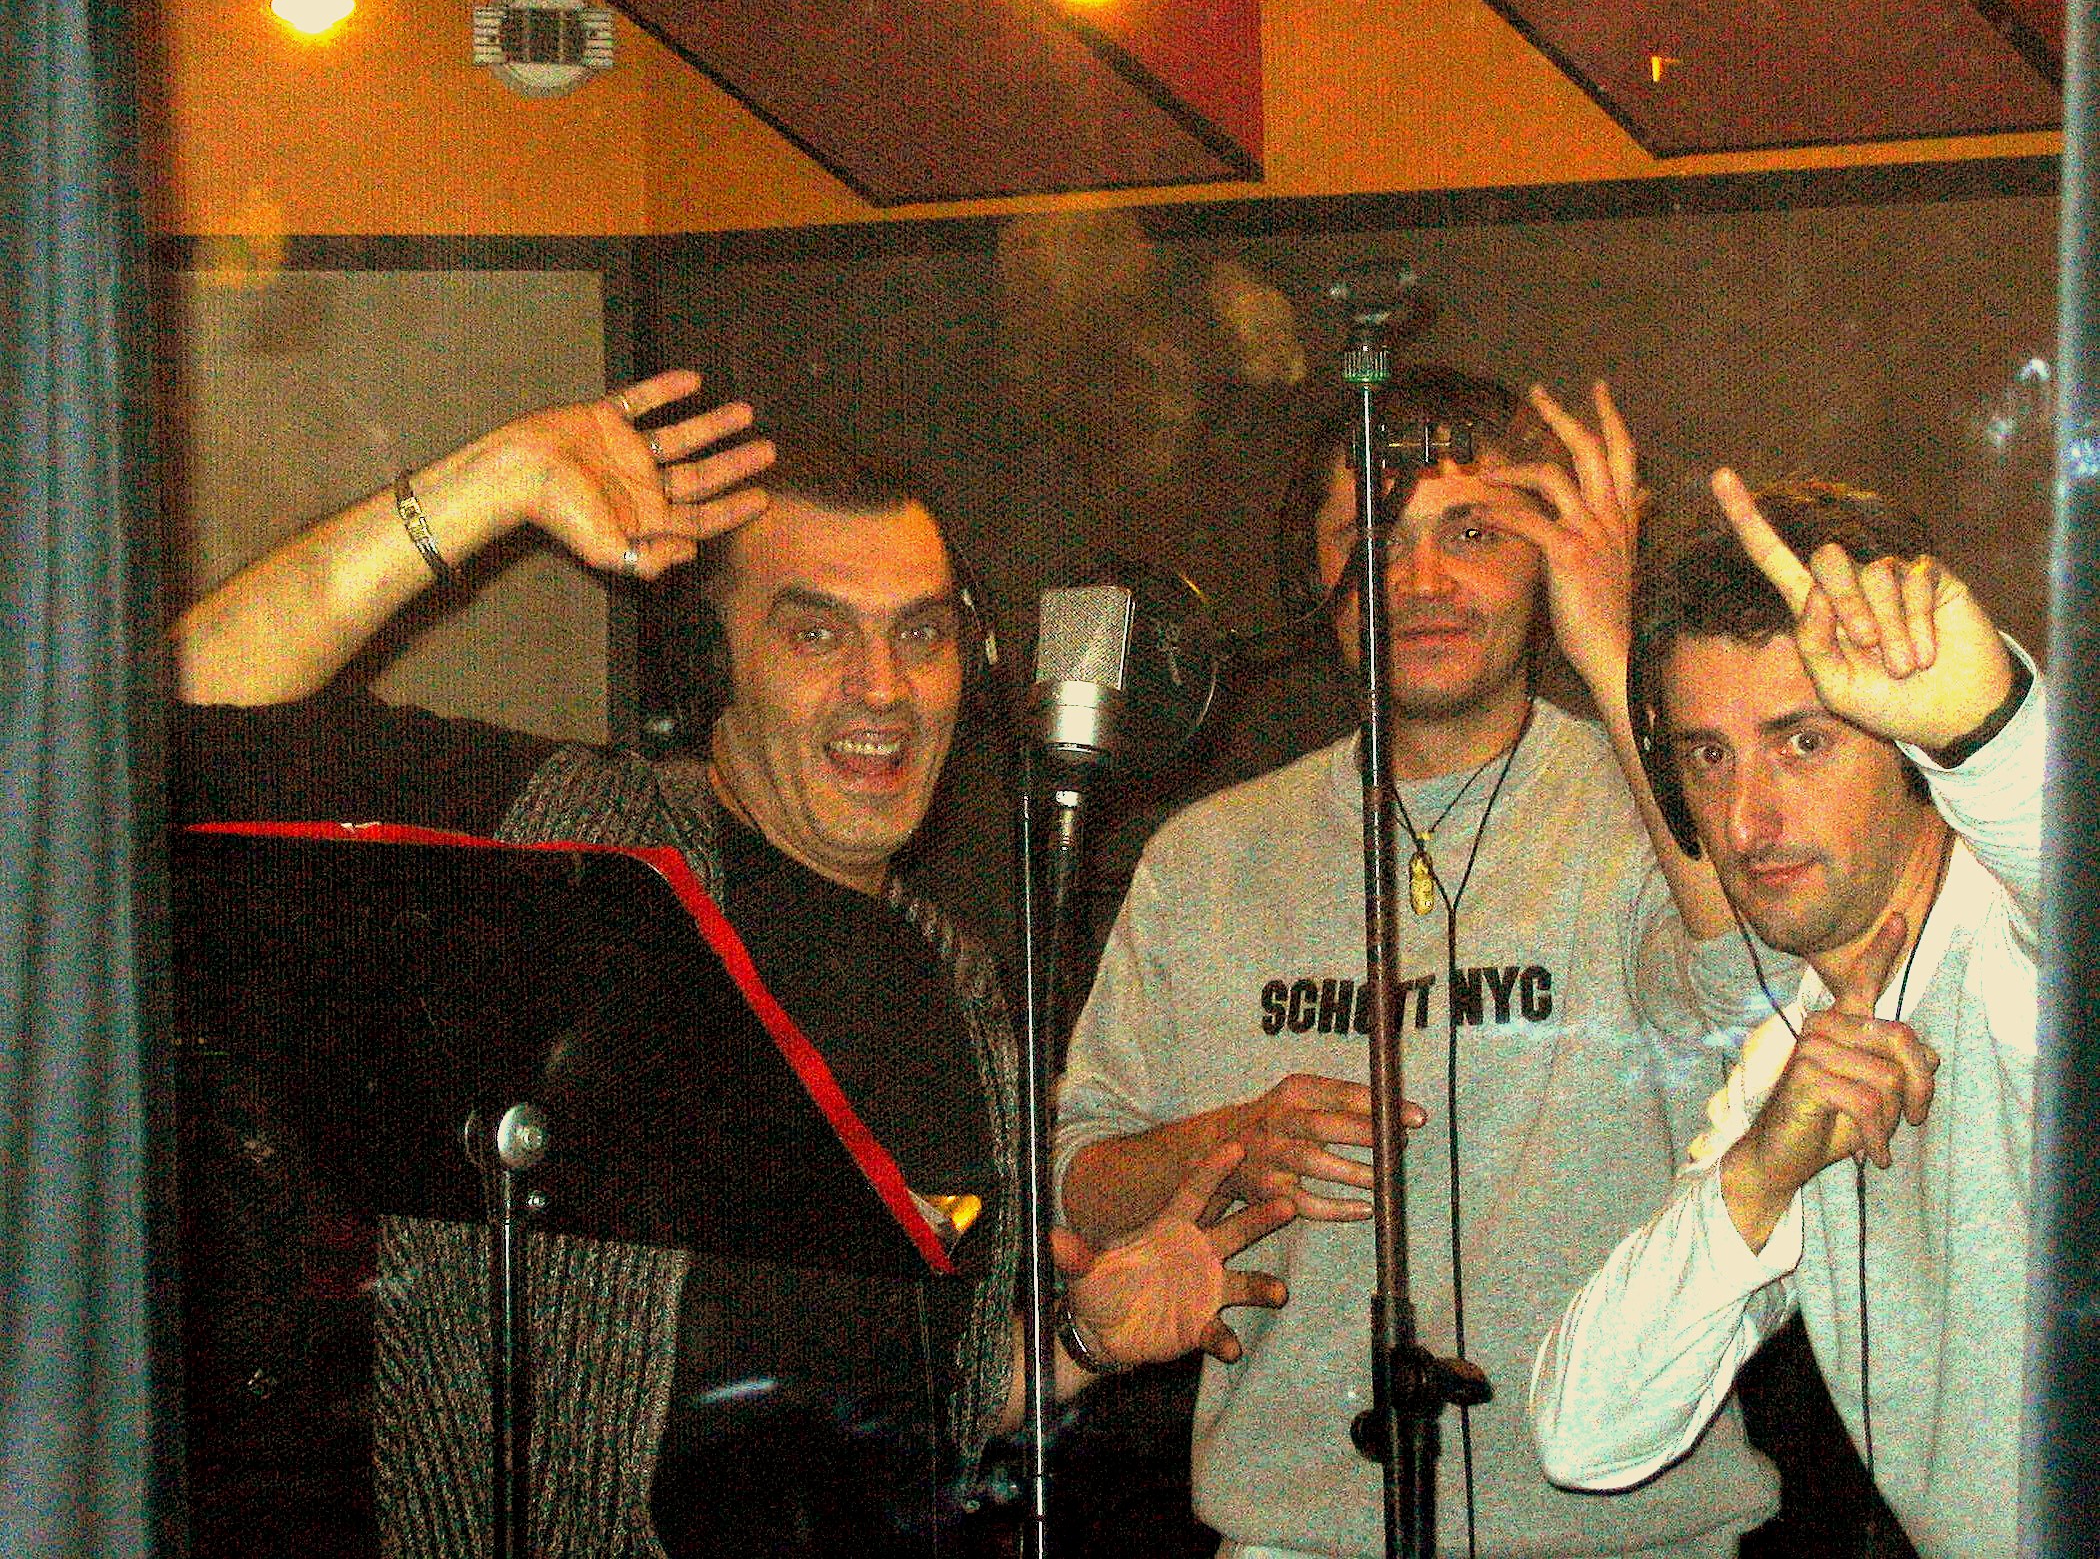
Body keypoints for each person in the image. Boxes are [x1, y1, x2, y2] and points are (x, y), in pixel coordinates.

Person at [171, 368, 1292, 1559]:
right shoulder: (568, 843)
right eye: (817, 633)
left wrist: (1082, 1341)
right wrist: (493, 483)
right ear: (715, 666)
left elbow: (932, 1415)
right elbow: (183, 706)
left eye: (920, 634)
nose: (883, 687)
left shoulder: (963, 993)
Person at [1054, 365, 1781, 1558]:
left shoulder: (1655, 813)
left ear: (1553, 559)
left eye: (1474, 533)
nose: (1422, 581)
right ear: (1316, 582)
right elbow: (1079, 1178)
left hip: (1630, 1535)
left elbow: (1761, 1012)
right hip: (1295, 1536)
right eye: (1372, 542)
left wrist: (1614, 656)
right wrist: (1225, 1143)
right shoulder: (1202, 861)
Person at [1528, 471, 2042, 1559]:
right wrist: (1758, 1177)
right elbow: (1584, 1435)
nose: (1746, 818)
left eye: (1802, 742)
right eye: (1708, 757)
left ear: (1906, 744)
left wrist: (1987, 730)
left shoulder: (2022, 945)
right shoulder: (1795, 1055)